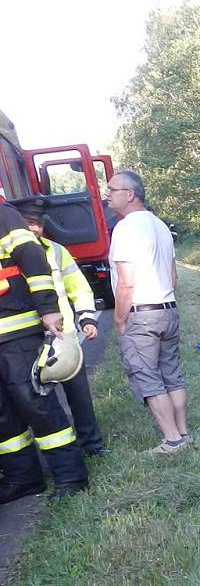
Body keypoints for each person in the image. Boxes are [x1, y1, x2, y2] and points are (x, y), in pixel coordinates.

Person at [0, 197, 88, 504]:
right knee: (3, 417)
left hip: (17, 332)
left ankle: (70, 477)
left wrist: (49, 309)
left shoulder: (3, 214)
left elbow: (32, 257)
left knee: (37, 405)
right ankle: (23, 478)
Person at [11, 197, 109, 456]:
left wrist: (87, 317)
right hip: (26, 342)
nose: (35, 229)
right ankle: (55, 452)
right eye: (28, 223)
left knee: (79, 396)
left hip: (63, 339)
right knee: (35, 402)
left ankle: (92, 445)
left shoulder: (56, 250)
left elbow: (78, 286)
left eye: (39, 224)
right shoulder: (8, 255)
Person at [105, 170, 190, 454]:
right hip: (168, 309)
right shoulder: (159, 225)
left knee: (147, 375)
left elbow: (126, 282)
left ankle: (171, 440)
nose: (107, 195)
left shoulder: (126, 228)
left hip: (141, 314)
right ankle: (183, 433)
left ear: (129, 195)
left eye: (112, 190)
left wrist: (119, 318)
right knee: (172, 373)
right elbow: (173, 277)